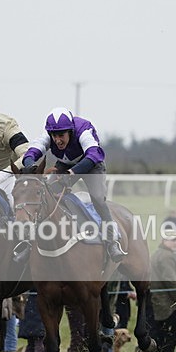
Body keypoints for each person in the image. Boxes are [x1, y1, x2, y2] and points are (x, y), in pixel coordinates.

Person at [22, 107, 126, 262]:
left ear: (70, 131)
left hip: (90, 165)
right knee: (47, 196)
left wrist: (72, 173)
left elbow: (94, 154)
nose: (57, 140)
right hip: (64, 164)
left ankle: (112, 240)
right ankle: (31, 242)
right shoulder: (48, 134)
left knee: (97, 198)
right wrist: (31, 165)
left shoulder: (84, 130)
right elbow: (31, 152)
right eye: (54, 136)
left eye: (61, 135)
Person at [148, 230, 176, 352]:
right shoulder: (167, 256)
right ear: (164, 241)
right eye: (173, 240)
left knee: (158, 335)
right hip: (167, 305)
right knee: (170, 338)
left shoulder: (157, 254)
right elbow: (169, 280)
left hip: (156, 302)